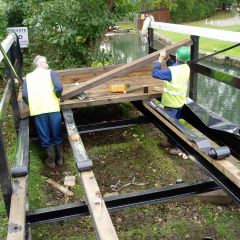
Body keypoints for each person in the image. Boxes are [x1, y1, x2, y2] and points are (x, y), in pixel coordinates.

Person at [22, 55, 63, 168]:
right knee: (57, 132)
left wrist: (32, 103)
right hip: (52, 107)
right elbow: (59, 87)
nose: (47, 64)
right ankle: (59, 159)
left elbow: (25, 95)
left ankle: (51, 161)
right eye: (45, 62)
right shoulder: (50, 72)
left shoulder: (28, 77)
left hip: (38, 110)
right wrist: (58, 96)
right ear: (38, 63)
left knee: (44, 134)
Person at [151, 46, 190, 155]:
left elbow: (155, 73)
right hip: (179, 102)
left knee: (170, 126)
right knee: (175, 124)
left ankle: (177, 147)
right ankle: (171, 142)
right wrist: (167, 59)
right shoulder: (186, 67)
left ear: (177, 56)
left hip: (171, 103)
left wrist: (160, 60)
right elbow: (174, 68)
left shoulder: (171, 71)